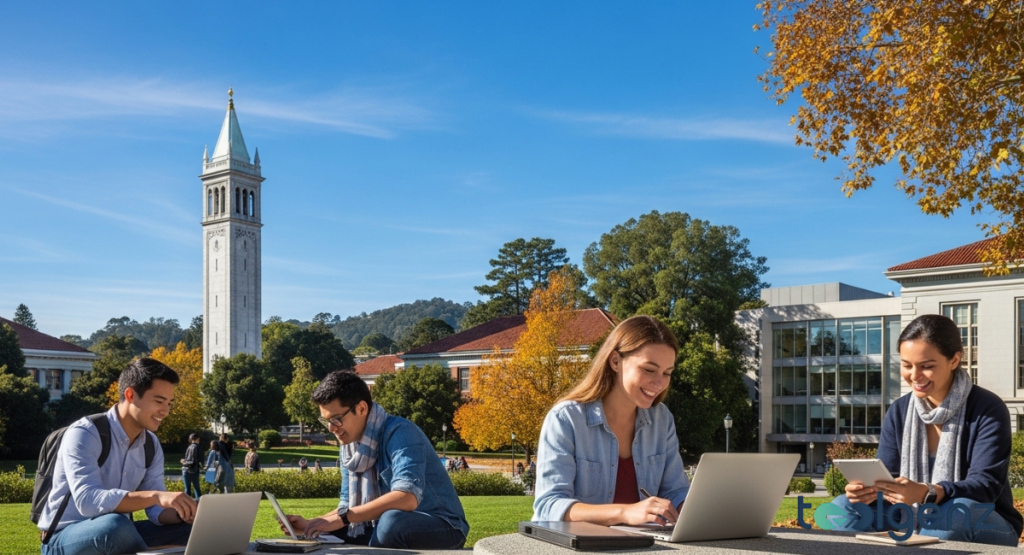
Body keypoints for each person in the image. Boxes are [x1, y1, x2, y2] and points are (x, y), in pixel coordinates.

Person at [830, 314, 1024, 545]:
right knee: (841, 507)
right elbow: (889, 476)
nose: (914, 376)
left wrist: (927, 492)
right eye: (906, 365)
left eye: (927, 366)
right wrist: (867, 491)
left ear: (954, 360)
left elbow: (985, 486)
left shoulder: (988, 408)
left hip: (983, 520)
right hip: (908, 515)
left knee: (956, 512)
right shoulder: (900, 411)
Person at [278, 370, 469, 549]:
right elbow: (349, 507)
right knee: (340, 529)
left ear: (361, 409)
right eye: (326, 420)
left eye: (336, 419)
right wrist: (312, 524)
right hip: (379, 523)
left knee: (391, 522)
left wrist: (341, 519)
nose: (331, 428)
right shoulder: (349, 447)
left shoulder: (401, 433)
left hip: (442, 525)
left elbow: (407, 497)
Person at [533, 315, 689, 526]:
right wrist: (625, 513)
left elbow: (676, 491)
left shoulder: (662, 419)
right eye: (649, 370)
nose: (659, 383)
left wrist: (697, 508)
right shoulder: (566, 419)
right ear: (615, 361)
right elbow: (549, 505)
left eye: (667, 373)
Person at [37, 358, 196, 555]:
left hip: (119, 531)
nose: (166, 411)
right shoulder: (86, 432)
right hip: (63, 538)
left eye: (169, 403)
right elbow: (88, 501)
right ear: (130, 394)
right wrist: (156, 496)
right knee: (114, 526)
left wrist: (188, 511)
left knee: (193, 529)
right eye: (159, 401)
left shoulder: (150, 444)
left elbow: (156, 510)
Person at [180, 433, 203, 500]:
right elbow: (199, 460)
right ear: (198, 439)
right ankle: (199, 504)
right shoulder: (198, 448)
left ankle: (188, 506)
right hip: (195, 470)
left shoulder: (189, 447)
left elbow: (189, 460)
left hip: (186, 470)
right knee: (197, 488)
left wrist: (184, 462)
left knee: (187, 489)